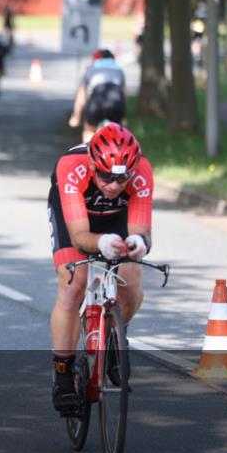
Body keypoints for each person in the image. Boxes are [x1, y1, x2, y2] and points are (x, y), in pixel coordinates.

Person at [47, 123, 153, 414]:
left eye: (122, 179)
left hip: (116, 217)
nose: (114, 185)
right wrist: (101, 242)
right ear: (93, 164)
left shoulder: (141, 170)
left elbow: (143, 233)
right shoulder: (71, 166)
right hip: (77, 217)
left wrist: (138, 243)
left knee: (130, 286)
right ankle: (63, 376)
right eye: (106, 176)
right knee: (74, 285)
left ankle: (115, 339)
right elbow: (80, 237)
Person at [68, 50, 126, 143]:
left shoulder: (91, 69)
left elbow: (81, 98)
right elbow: (123, 94)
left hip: (96, 103)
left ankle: (87, 152)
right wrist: (123, 117)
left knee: (89, 130)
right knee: (118, 132)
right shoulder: (119, 70)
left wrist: (76, 116)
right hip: (116, 103)